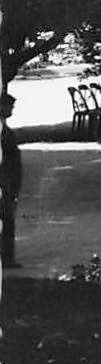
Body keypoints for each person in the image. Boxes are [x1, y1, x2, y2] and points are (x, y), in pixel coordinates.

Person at [2, 93, 21, 267]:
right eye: (9, 106)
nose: (11, 110)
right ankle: (6, 258)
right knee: (6, 219)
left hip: (8, 180)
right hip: (4, 181)